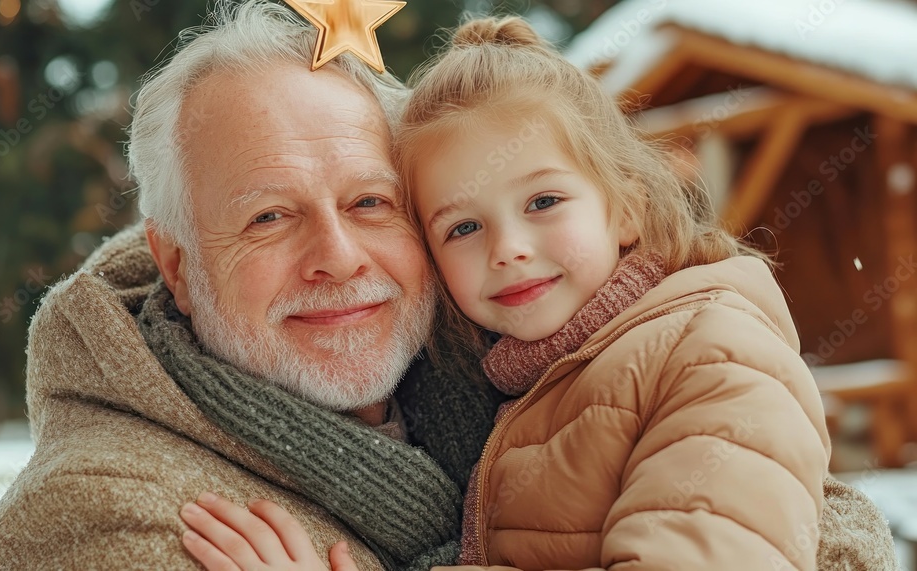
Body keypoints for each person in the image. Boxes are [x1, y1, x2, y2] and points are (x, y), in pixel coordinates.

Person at [175, 15, 901, 571]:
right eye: (461, 226)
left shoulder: (708, 353)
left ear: (625, 207)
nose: (509, 247)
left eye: (545, 201)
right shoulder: (531, 373)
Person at [0, 2, 503, 569]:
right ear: (176, 265)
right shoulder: (99, 516)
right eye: (269, 217)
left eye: (370, 202)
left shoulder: (527, 393)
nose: (339, 258)